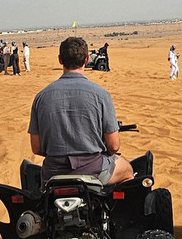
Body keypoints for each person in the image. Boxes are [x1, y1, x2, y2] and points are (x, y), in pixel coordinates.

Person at [28, 36, 134, 186]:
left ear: (60, 59)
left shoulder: (41, 97)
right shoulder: (101, 95)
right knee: (128, 171)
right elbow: (114, 146)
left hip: (52, 173)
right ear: (86, 59)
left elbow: (37, 148)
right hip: (94, 170)